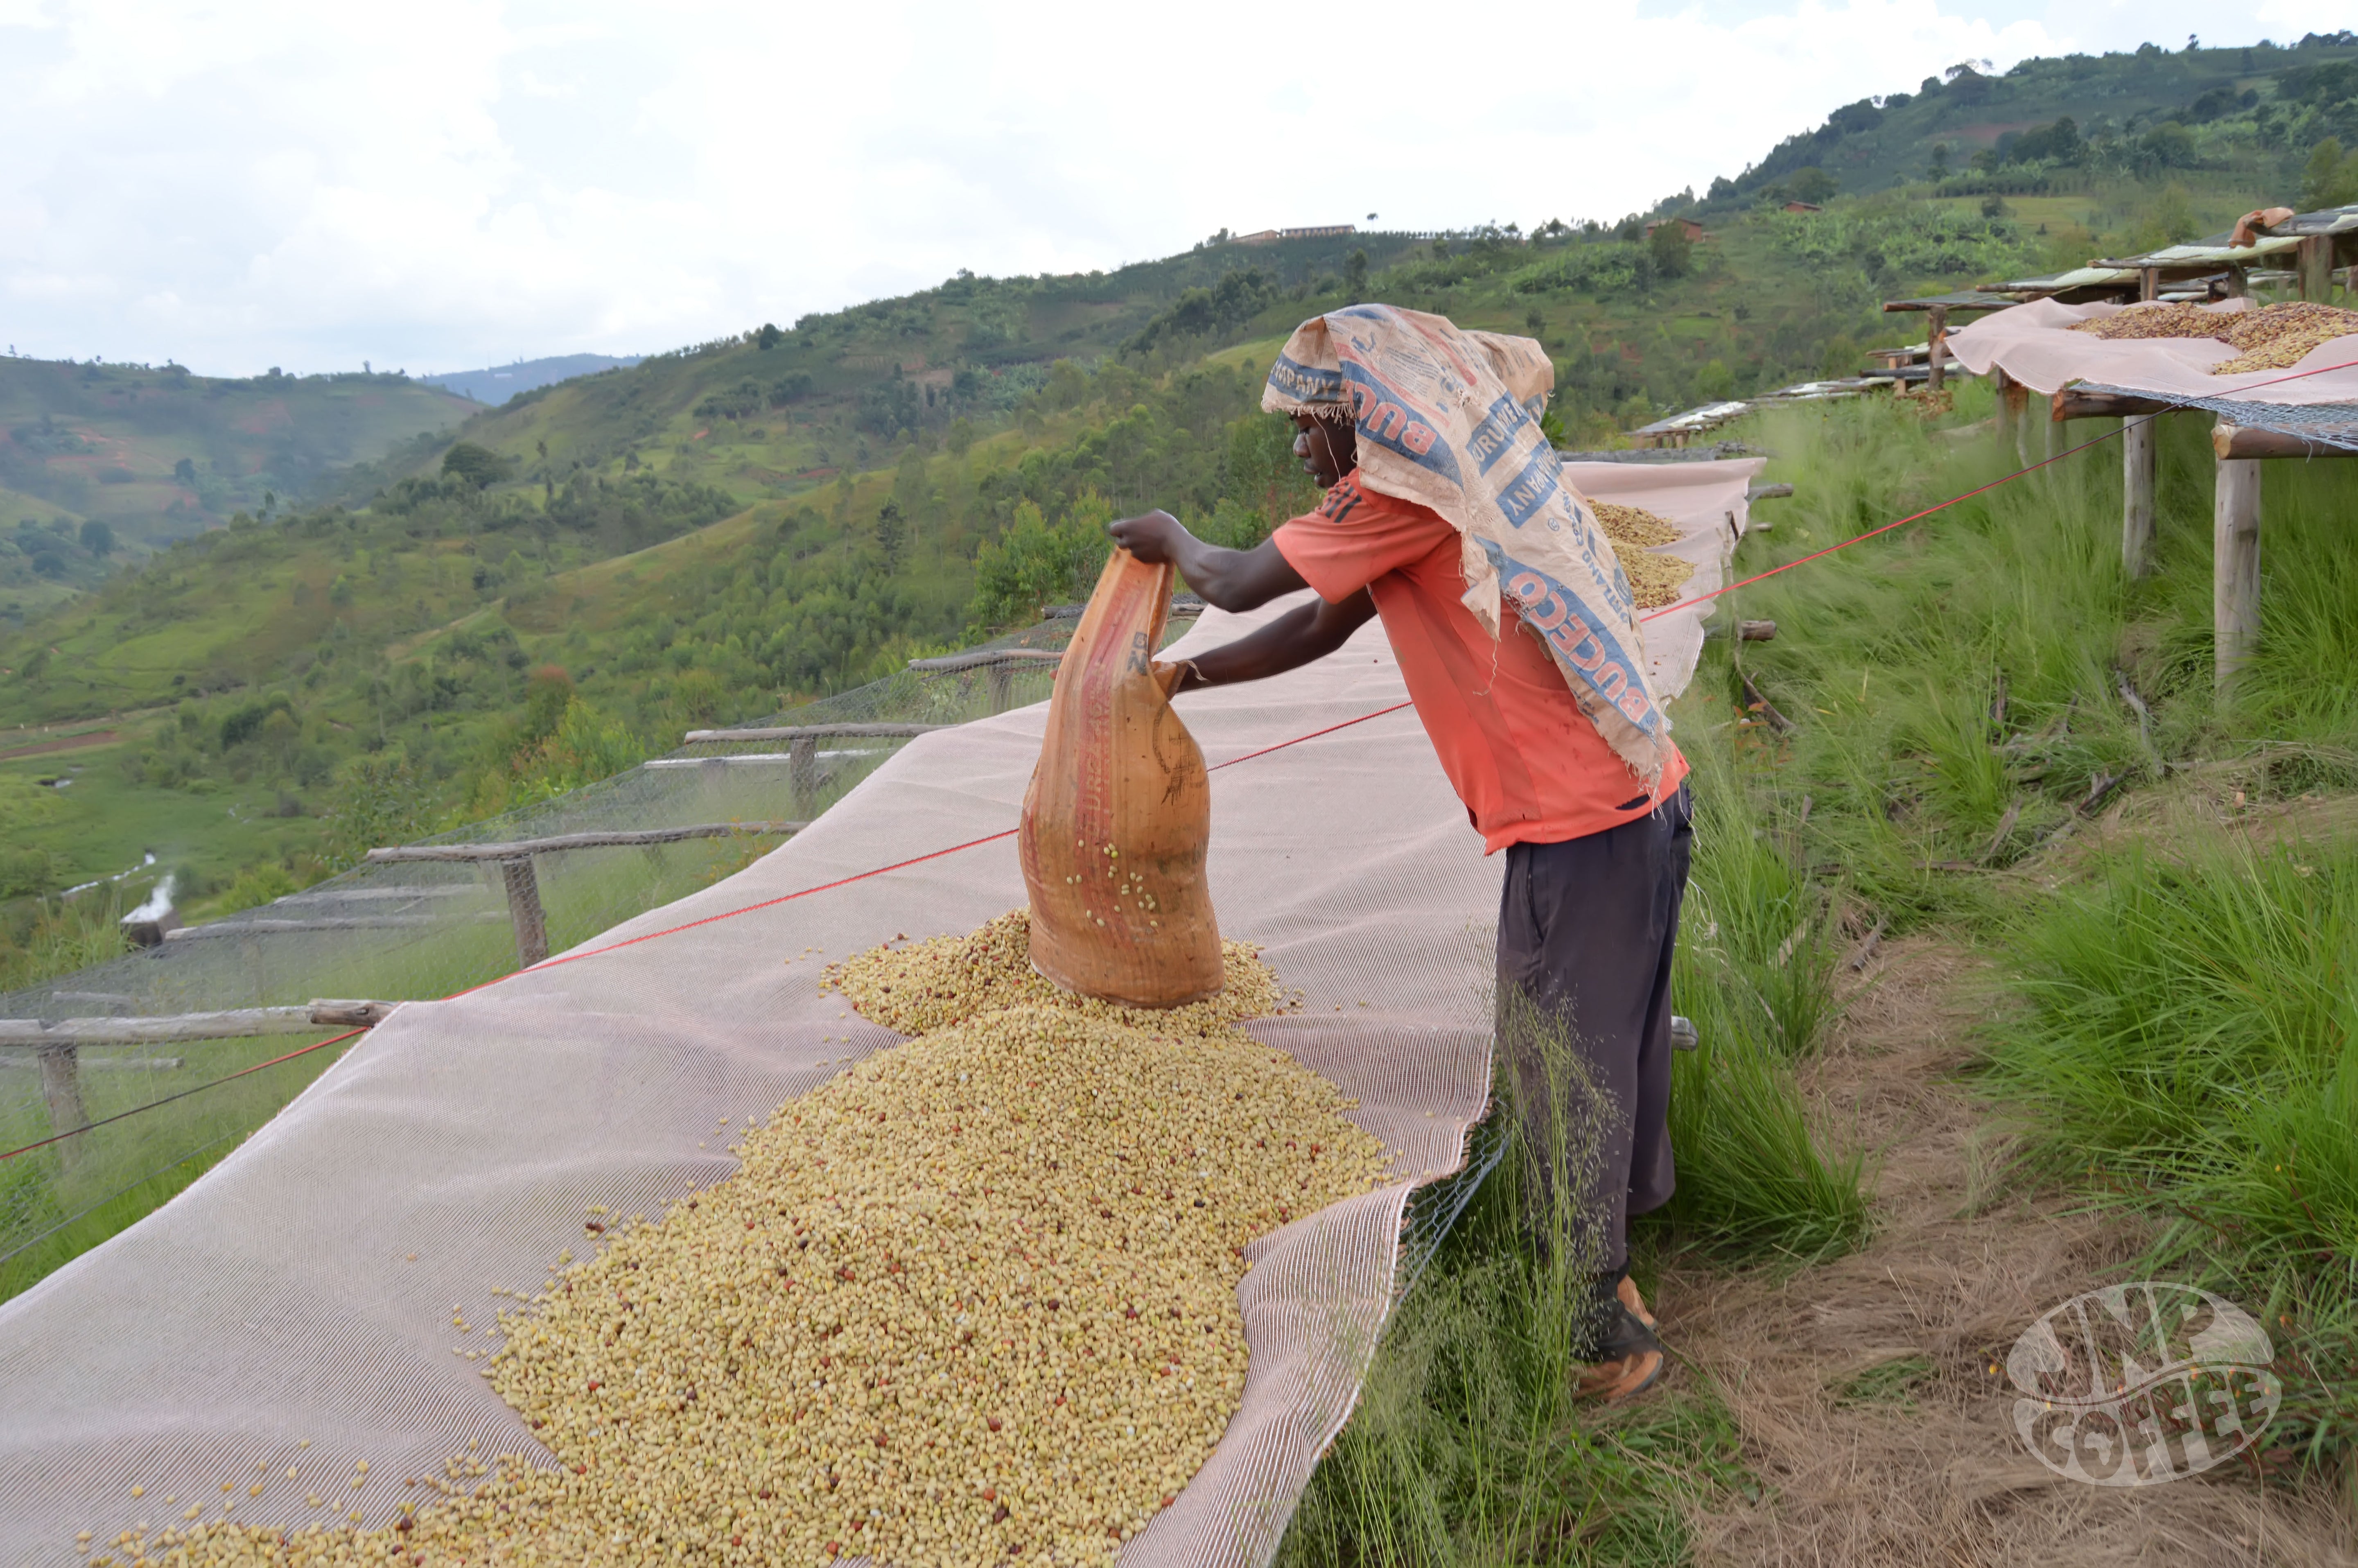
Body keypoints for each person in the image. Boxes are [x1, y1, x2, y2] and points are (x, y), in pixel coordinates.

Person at [1106, 304, 1691, 1404]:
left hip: (1579, 830)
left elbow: (1235, 582)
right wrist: (1189, 681)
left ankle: (1599, 1335)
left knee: (1563, 1066)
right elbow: (1322, 625)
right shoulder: (1442, 496)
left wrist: (1174, 539)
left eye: (1307, 427)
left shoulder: (1396, 496)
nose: (1299, 448)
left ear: (1358, 422)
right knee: (1618, 1045)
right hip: (1641, 799)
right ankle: (1621, 1273)